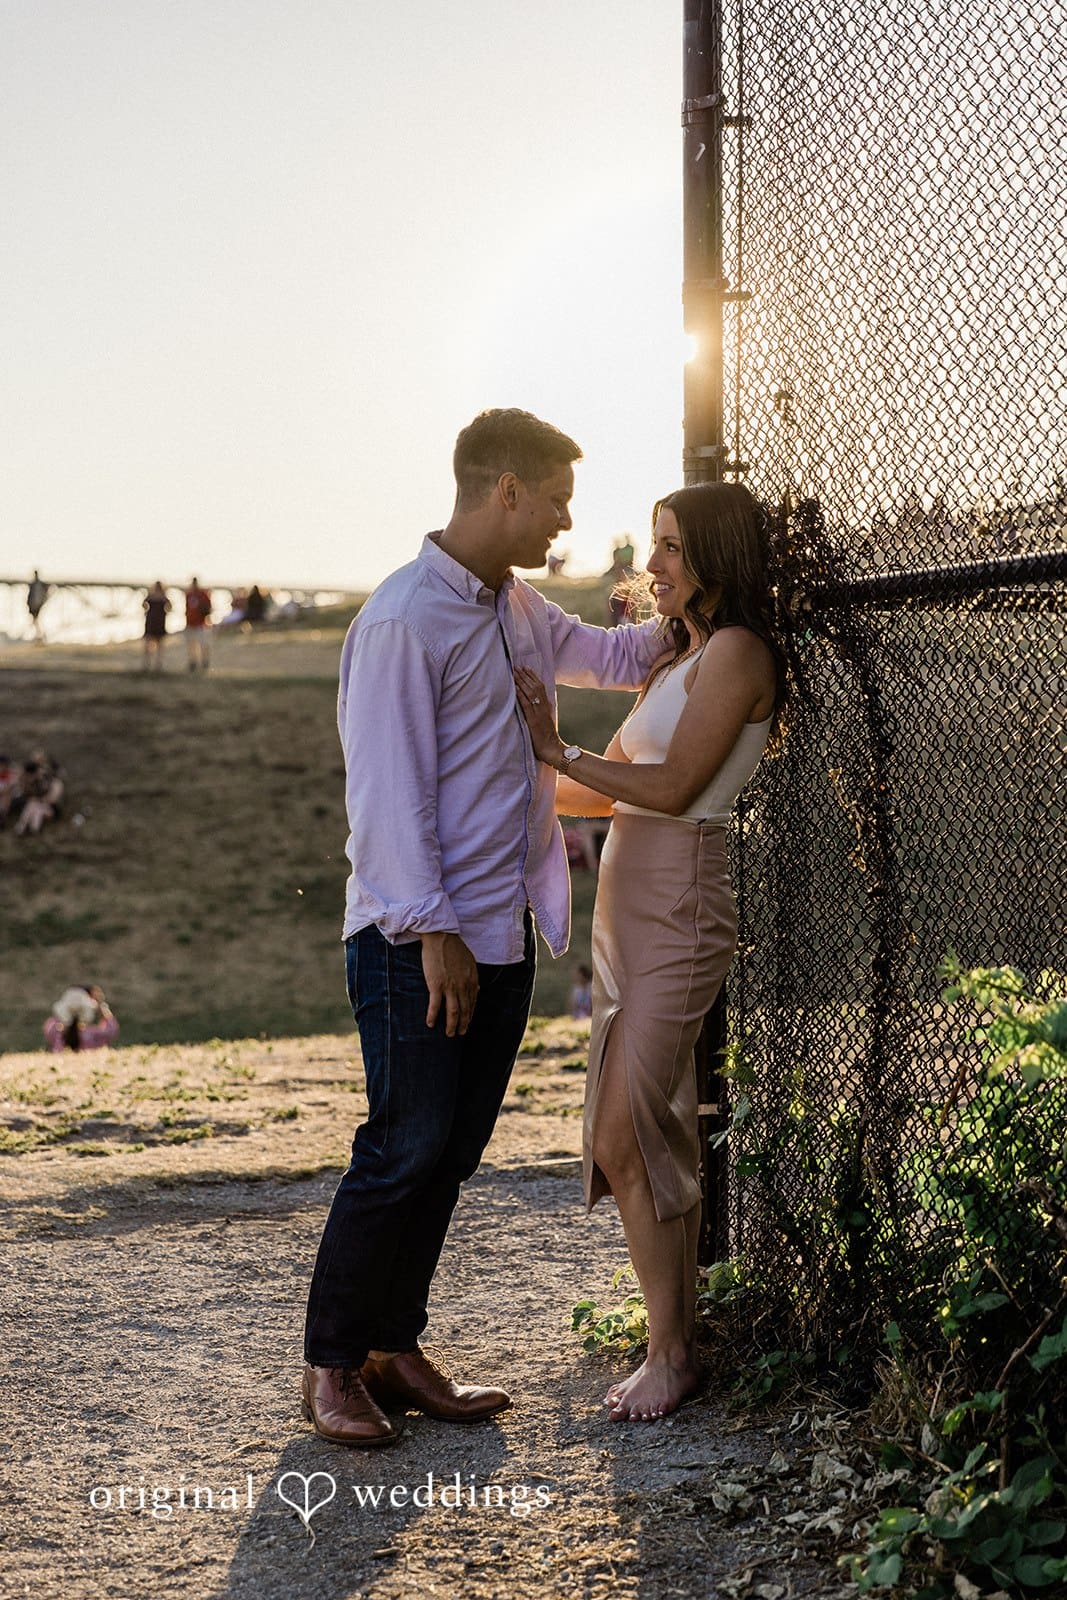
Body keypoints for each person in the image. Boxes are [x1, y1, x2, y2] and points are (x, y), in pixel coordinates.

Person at [301, 408, 663, 1446]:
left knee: (450, 1150)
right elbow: (385, 798)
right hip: (415, 938)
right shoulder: (401, 620)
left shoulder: (515, 606)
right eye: (555, 499)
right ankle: (330, 1363)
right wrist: (432, 931)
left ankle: (391, 1347)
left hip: (497, 930)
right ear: (504, 489)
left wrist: (698, 614)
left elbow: (607, 652)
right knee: (401, 1144)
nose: (562, 521)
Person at [515, 482, 786, 1424]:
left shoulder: (741, 654)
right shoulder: (682, 658)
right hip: (628, 911)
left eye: (671, 546)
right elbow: (606, 793)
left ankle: (672, 1354)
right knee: (638, 1127)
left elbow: (668, 788)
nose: (653, 563)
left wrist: (554, 749)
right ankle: (673, 1340)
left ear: (715, 554)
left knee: (628, 1132)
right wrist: (501, 784)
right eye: (655, 543)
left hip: (679, 898)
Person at [43, 984, 118, 1052]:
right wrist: (102, 1007)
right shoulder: (91, 1035)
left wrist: (63, 1012)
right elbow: (110, 1031)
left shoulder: (56, 1032)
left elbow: (49, 1026)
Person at [184, 577, 212, 671]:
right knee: (191, 644)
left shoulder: (203, 594)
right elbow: (186, 607)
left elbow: (209, 607)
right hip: (190, 623)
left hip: (201, 624)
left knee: (204, 644)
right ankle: (193, 662)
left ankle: (205, 662)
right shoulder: (188, 594)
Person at [142, 582, 171, 671]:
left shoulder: (153, 596)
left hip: (155, 622)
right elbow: (169, 607)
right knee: (152, 645)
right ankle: (151, 664)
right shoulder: (162, 597)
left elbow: (143, 604)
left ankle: (154, 664)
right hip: (155, 622)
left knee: (157, 645)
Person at [27, 571, 50, 640]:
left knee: (36, 621)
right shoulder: (35, 584)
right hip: (35, 605)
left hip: (36, 605)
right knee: (36, 621)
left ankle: (40, 636)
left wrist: (44, 600)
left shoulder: (37, 584)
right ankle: (40, 636)